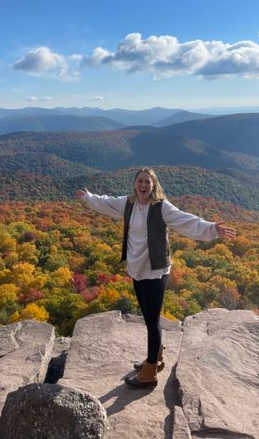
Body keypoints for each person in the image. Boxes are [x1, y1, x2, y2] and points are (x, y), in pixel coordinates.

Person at [75, 166, 236, 389]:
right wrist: (89, 198)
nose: (143, 185)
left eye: (147, 182)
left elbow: (186, 220)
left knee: (152, 320)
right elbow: (107, 203)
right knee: (148, 315)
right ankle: (156, 356)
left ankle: (149, 373)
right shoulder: (128, 204)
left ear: (153, 185)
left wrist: (211, 229)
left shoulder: (161, 207)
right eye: (140, 181)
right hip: (136, 267)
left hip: (156, 270)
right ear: (134, 183)